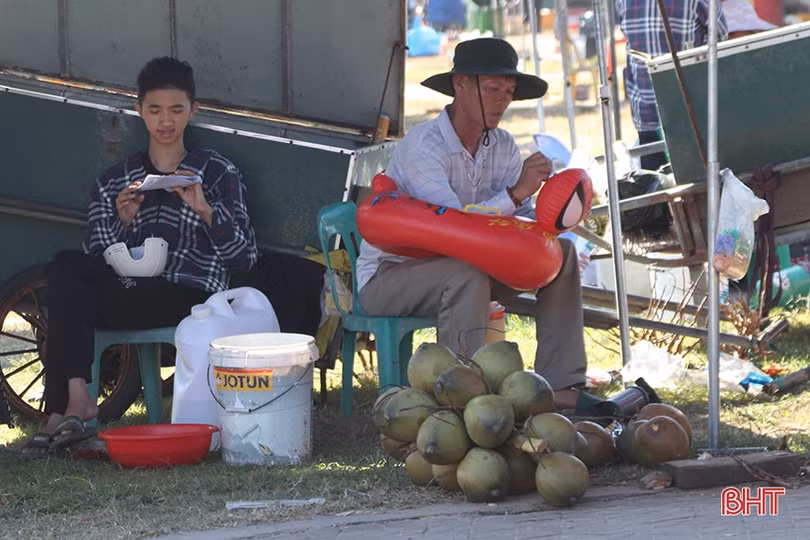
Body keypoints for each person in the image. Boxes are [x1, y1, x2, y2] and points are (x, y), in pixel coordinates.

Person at [19, 57, 257, 457]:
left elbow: (245, 259)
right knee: (65, 268)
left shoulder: (216, 171)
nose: (166, 121)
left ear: (193, 111)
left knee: (72, 297)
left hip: (189, 295)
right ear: (139, 111)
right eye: (155, 110)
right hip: (128, 288)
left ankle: (58, 414)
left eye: (177, 110)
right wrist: (122, 222)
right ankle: (77, 395)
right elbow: (95, 254)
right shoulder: (116, 179)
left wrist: (206, 212)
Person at [356, 38, 589, 411]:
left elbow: (522, 221)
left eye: (509, 91)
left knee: (561, 255)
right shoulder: (424, 148)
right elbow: (452, 234)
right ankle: (464, 400)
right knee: (465, 272)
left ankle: (563, 387)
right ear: (460, 84)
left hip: (470, 268)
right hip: (390, 277)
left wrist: (553, 225)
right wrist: (513, 195)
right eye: (493, 88)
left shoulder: (504, 146)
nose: (503, 100)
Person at [615, 0, 728, 171]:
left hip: (646, 111)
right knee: (699, 184)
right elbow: (720, 35)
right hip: (690, 111)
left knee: (656, 186)